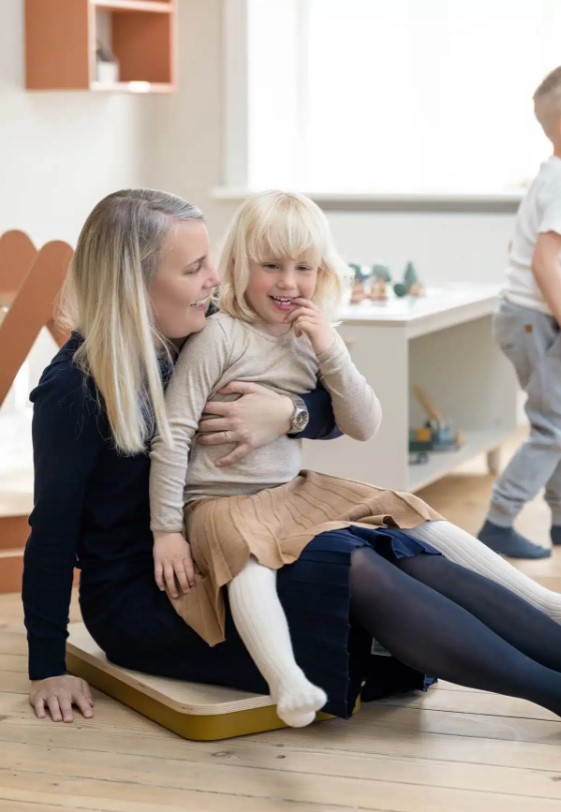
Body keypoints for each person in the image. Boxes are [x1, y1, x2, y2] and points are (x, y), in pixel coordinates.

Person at [23, 188, 561, 727]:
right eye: (194, 268)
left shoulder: (200, 323)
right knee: (354, 564)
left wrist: (288, 413)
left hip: (236, 536)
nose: (215, 277)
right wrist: (46, 666)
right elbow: (51, 534)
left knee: (400, 549)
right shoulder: (72, 389)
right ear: (134, 285)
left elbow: (336, 413)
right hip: (155, 593)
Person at [478, 65, 561, 559]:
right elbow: (543, 260)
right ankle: (499, 521)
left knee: (558, 422)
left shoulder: (550, 174)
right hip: (535, 321)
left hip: (528, 317)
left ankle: (560, 519)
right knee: (553, 426)